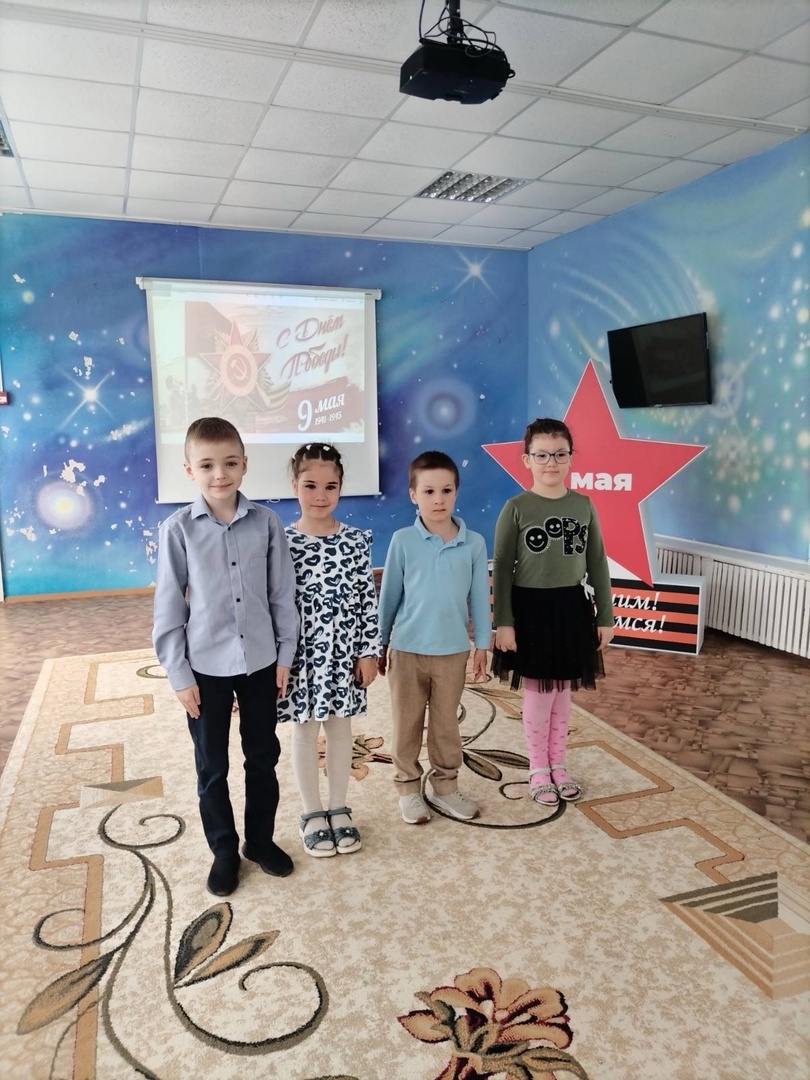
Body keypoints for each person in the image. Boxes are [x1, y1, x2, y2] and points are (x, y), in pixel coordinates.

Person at [152, 416, 299, 897]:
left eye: (230, 463)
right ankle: (223, 850)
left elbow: (281, 595)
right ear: (189, 470)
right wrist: (179, 674)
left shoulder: (267, 523)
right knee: (212, 765)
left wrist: (284, 655)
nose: (220, 474)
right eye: (207, 465)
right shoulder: (177, 530)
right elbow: (169, 607)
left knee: (263, 756)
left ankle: (260, 841)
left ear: (245, 464)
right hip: (204, 668)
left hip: (260, 662)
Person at [491, 417, 614, 806]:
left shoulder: (583, 505)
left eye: (560, 454)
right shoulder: (516, 507)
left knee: (562, 692)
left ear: (571, 457)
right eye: (542, 455)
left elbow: (597, 561)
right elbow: (502, 567)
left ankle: (558, 764)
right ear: (526, 459)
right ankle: (537, 768)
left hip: (571, 608)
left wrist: (606, 617)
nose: (551, 462)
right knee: (539, 691)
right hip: (531, 610)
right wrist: (503, 622)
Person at [277, 443, 380, 857]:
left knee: (340, 730)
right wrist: (278, 660)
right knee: (304, 732)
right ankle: (312, 812)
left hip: (343, 655)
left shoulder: (355, 541)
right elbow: (275, 604)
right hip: (302, 657)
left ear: (341, 488)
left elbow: (366, 599)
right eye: (310, 485)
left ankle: (338, 808)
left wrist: (368, 651)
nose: (320, 495)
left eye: (330, 486)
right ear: (294, 485)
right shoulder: (282, 542)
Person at [377, 450, 490, 825]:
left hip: (453, 652)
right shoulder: (403, 541)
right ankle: (408, 789)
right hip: (407, 651)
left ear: (456, 492)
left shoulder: (474, 543)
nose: (438, 499)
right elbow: (389, 597)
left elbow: (479, 599)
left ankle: (445, 787)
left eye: (446, 490)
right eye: (428, 491)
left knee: (445, 726)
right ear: (413, 494)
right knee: (406, 724)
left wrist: (482, 645)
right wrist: (379, 643)